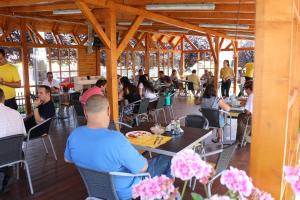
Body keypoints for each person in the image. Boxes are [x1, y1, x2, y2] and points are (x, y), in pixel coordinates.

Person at [64, 95, 171, 200]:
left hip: (96, 190)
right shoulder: (115, 139)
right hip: (125, 192)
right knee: (170, 159)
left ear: (85, 111)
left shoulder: (74, 135)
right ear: (108, 111)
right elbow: (142, 168)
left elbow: (67, 159)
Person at [0, 88, 26, 193]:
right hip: (16, 154)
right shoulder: (16, 113)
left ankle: (4, 172)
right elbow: (23, 135)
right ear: (4, 98)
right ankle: (6, 172)